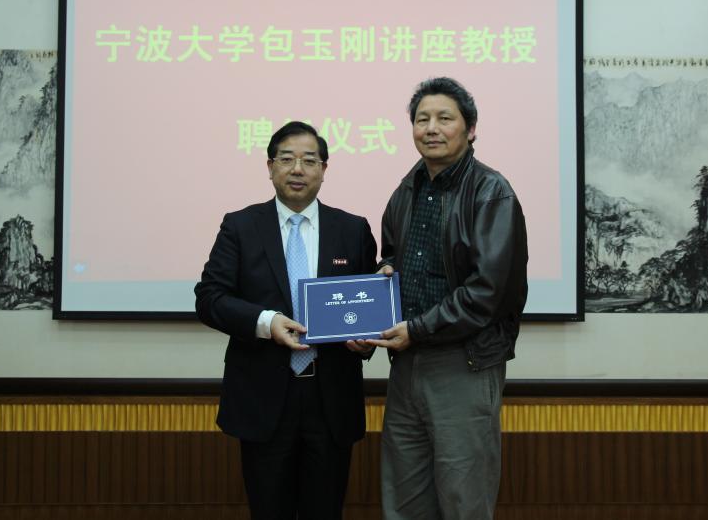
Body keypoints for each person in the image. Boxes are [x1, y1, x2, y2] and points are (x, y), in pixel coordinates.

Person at [364, 77, 529, 520]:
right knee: (405, 499)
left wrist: (417, 328)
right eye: (422, 119)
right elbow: (394, 258)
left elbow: (487, 292)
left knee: (463, 499)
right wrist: (384, 279)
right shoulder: (407, 189)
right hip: (407, 364)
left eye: (444, 118)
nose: (431, 128)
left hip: (463, 363)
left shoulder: (491, 192)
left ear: (470, 129)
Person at [195, 120, 377, 520]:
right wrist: (266, 322)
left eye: (309, 160)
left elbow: (367, 307)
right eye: (287, 159)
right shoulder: (240, 226)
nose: (298, 169)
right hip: (263, 398)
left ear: (324, 169)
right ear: (270, 166)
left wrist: (366, 342)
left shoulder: (353, 229)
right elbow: (209, 298)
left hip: (330, 401)